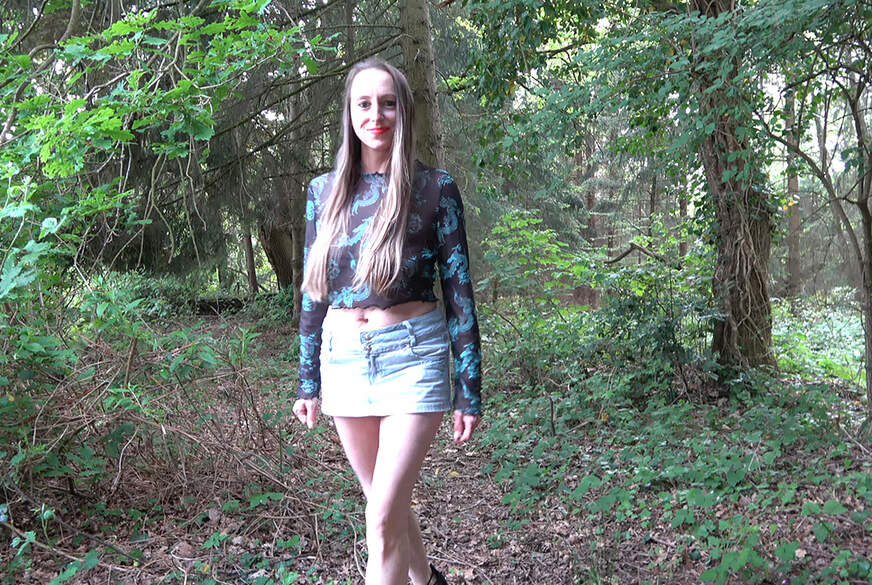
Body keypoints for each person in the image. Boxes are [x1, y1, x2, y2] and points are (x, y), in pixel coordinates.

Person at [291, 58, 483, 585]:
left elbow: (459, 292)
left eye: (388, 103)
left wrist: (469, 388)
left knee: (379, 519)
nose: (375, 115)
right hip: (345, 360)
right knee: (385, 504)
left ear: (404, 110)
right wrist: (307, 380)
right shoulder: (322, 192)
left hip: (414, 356)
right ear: (350, 113)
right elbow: (313, 292)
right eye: (364, 103)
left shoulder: (435, 189)